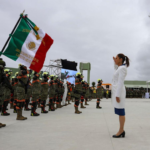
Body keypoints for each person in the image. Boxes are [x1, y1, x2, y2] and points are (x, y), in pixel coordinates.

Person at [112, 53, 130, 138]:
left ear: (121, 59)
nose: (115, 59)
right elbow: (116, 69)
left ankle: (121, 130)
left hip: (119, 92)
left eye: (116, 58)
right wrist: (114, 62)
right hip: (117, 92)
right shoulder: (119, 68)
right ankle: (121, 130)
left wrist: (117, 95)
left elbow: (120, 82)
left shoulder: (122, 68)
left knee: (121, 112)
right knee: (119, 112)